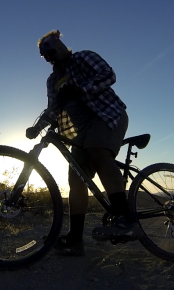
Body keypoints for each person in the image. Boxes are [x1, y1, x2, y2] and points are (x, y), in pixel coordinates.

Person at [26, 30, 142, 256]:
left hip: (106, 115)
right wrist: (38, 127)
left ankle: (126, 220)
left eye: (50, 48)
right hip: (81, 133)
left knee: (97, 153)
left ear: (60, 44)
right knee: (76, 178)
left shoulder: (82, 58)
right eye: (44, 54)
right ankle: (75, 240)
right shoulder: (52, 81)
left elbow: (108, 75)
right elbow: (53, 109)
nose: (49, 55)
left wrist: (81, 88)